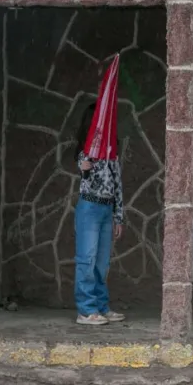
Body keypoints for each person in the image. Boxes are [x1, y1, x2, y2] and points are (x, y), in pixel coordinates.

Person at [73, 103, 125, 326]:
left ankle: (101, 306)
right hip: (90, 207)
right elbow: (85, 171)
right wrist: (87, 164)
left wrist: (118, 216)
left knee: (102, 262)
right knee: (86, 258)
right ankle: (86, 310)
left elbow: (118, 185)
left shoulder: (112, 153)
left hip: (106, 209)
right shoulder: (86, 152)